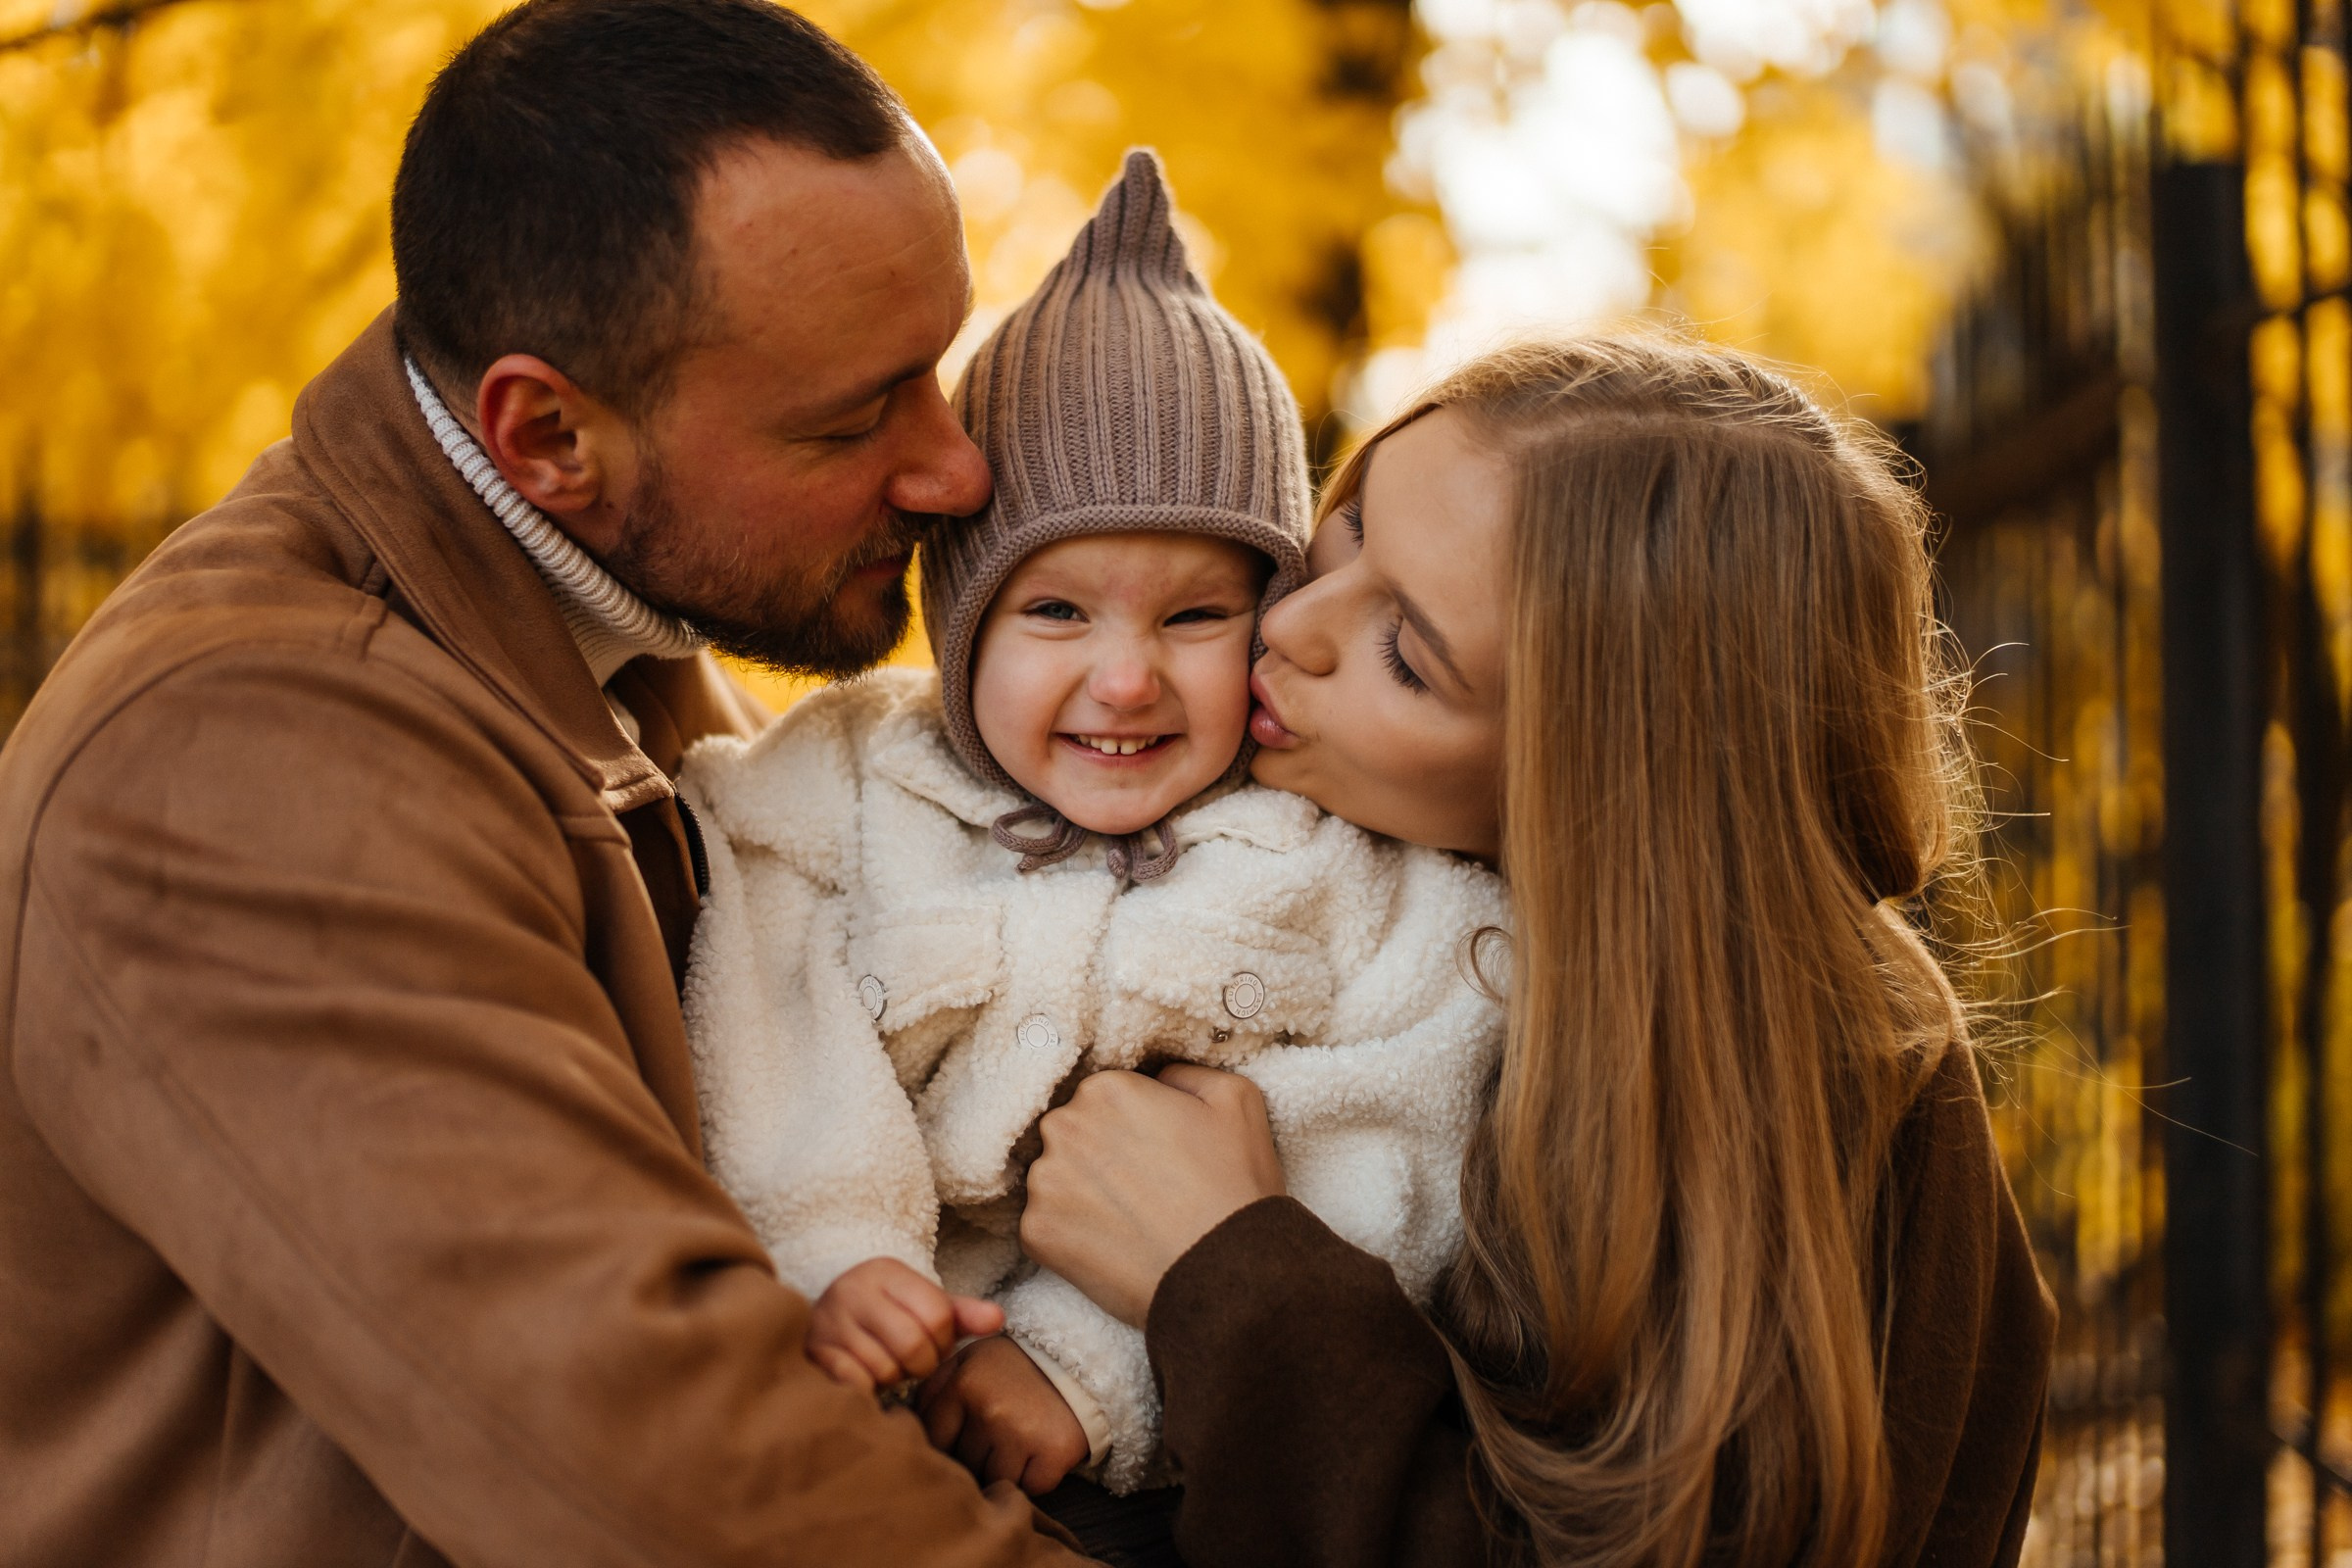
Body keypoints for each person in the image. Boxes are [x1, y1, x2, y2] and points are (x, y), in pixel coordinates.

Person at [0, 2, 1100, 1563]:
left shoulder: (626, 633)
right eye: (855, 417)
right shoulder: (237, 761)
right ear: (546, 433)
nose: (954, 471)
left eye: (938, 369)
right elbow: (663, 1473)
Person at [1018, 335, 2060, 1567]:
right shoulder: (1302, 833)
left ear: (1604, 786)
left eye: (1409, 656)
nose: (1287, 624)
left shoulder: (1812, 1112)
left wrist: (1227, 1277)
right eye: (1345, 533)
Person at [677, 153, 1507, 1526]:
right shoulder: (844, 790)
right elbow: (767, 1016)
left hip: (1163, 1468)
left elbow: (1386, 1149)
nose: (1126, 681)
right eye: (1056, 614)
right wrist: (838, 1255)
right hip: (846, 1399)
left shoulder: (1337, 863)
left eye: (1194, 618)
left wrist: (1085, 1368)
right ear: (961, 626)